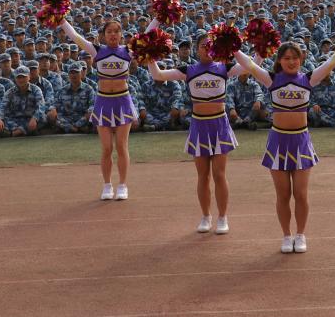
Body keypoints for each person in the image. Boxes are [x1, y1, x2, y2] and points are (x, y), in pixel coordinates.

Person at [149, 33, 263, 234]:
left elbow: (252, 66)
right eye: (203, 45)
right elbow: (158, 75)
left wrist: (261, 48)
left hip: (219, 124)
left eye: (211, 45)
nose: (207, 48)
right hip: (199, 125)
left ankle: (222, 217)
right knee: (202, 175)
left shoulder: (224, 68)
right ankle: (205, 216)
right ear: (196, 49)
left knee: (219, 174)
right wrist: (149, 56)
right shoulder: (188, 70)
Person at [249, 41, 335, 253]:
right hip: (278, 141)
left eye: (295, 58)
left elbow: (332, 62)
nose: (291, 62)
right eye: (286, 58)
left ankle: (301, 234)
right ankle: (286, 235)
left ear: (301, 59)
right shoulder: (271, 79)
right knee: (283, 195)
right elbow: (249, 65)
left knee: (301, 194)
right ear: (279, 60)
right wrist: (231, 47)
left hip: (300, 141)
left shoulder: (308, 79)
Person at [62, 18, 148, 200]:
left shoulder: (128, 51)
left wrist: (159, 17)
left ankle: (122, 185)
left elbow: (146, 35)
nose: (113, 35)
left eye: (116, 31)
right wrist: (61, 20)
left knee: (121, 146)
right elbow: (75, 37)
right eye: (109, 31)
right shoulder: (97, 50)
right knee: (107, 148)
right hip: (103, 102)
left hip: (122, 101)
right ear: (103, 35)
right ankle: (107, 185)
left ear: (121, 34)